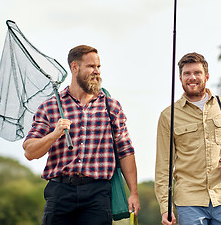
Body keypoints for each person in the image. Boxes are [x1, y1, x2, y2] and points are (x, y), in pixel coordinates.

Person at [23, 45, 140, 225]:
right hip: (60, 191)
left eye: (98, 67)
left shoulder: (111, 107)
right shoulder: (51, 106)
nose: (96, 72)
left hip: (98, 193)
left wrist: (133, 193)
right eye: (91, 66)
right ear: (75, 67)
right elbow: (30, 152)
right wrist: (54, 134)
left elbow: (125, 151)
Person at [155, 52, 221, 225]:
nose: (192, 77)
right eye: (187, 73)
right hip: (188, 202)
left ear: (206, 76)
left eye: (197, 73)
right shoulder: (168, 116)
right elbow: (163, 167)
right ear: (180, 78)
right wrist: (165, 207)